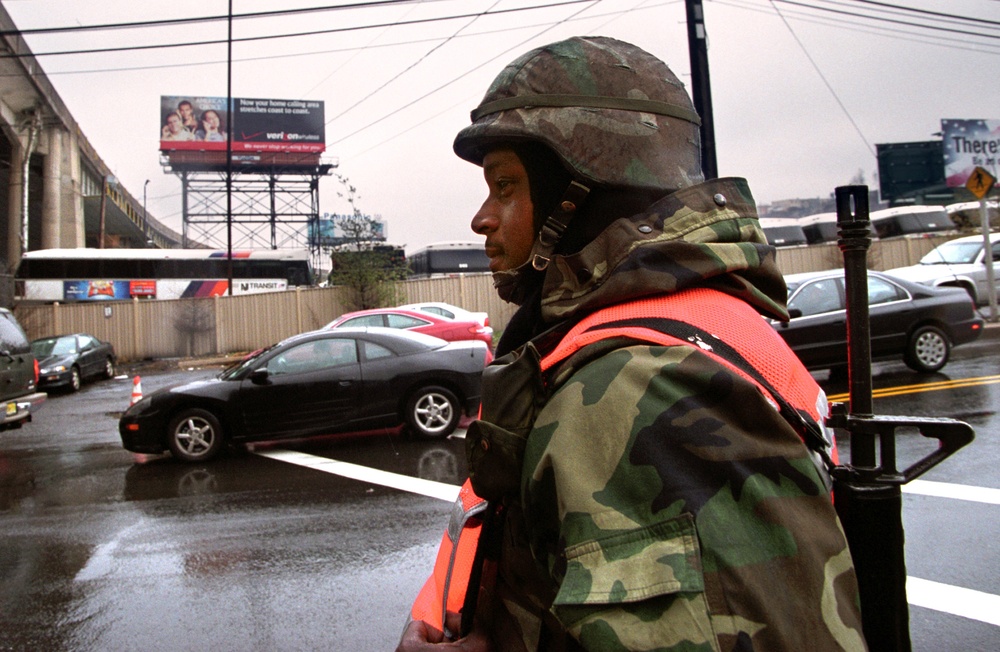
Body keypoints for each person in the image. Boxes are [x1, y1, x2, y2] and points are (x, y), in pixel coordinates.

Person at [397, 36, 866, 651]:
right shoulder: (687, 321)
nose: (481, 218)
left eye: (505, 186)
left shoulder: (641, 384)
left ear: (579, 197)